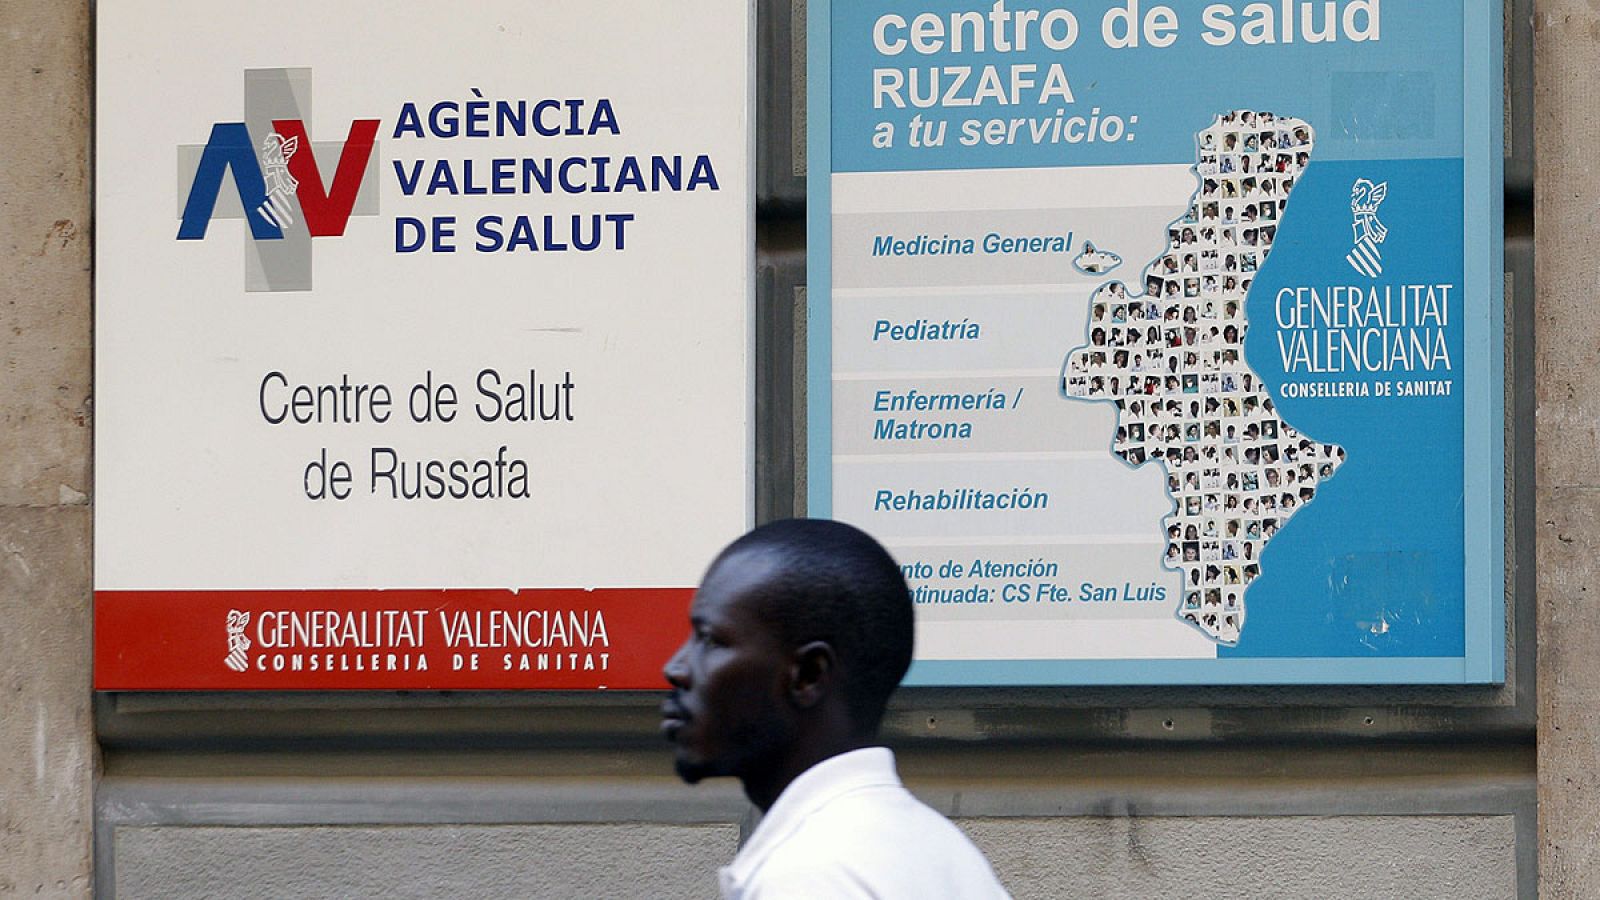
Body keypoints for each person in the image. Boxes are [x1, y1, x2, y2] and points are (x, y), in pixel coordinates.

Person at [662, 519, 1010, 899]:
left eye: (711, 640)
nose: (676, 668)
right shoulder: (940, 849)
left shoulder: (809, 875)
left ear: (808, 675)